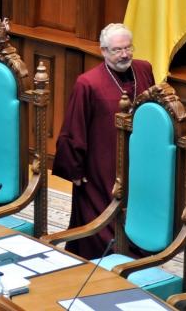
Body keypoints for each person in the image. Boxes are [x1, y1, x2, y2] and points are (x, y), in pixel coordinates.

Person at [52, 23, 155, 260]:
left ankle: (141, 252)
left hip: (139, 160)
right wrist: (75, 168)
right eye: (117, 50)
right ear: (103, 51)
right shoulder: (87, 83)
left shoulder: (144, 69)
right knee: (99, 213)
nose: (125, 54)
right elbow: (74, 125)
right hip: (102, 165)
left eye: (128, 48)